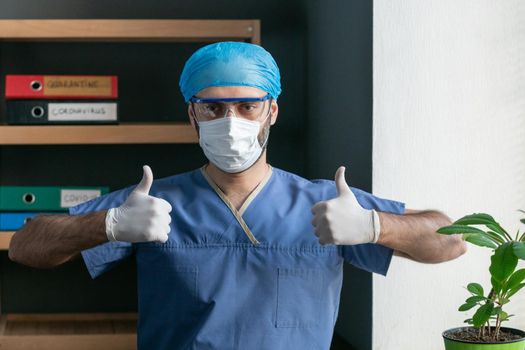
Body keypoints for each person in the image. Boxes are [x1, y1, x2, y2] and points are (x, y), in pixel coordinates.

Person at [8, 42, 466, 350]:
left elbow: (452, 240)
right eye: (213, 107)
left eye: (247, 105)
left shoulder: (326, 204)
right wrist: (105, 225)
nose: (231, 121)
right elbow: (27, 246)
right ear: (193, 114)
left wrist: (374, 226)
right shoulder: (150, 204)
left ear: (272, 111)